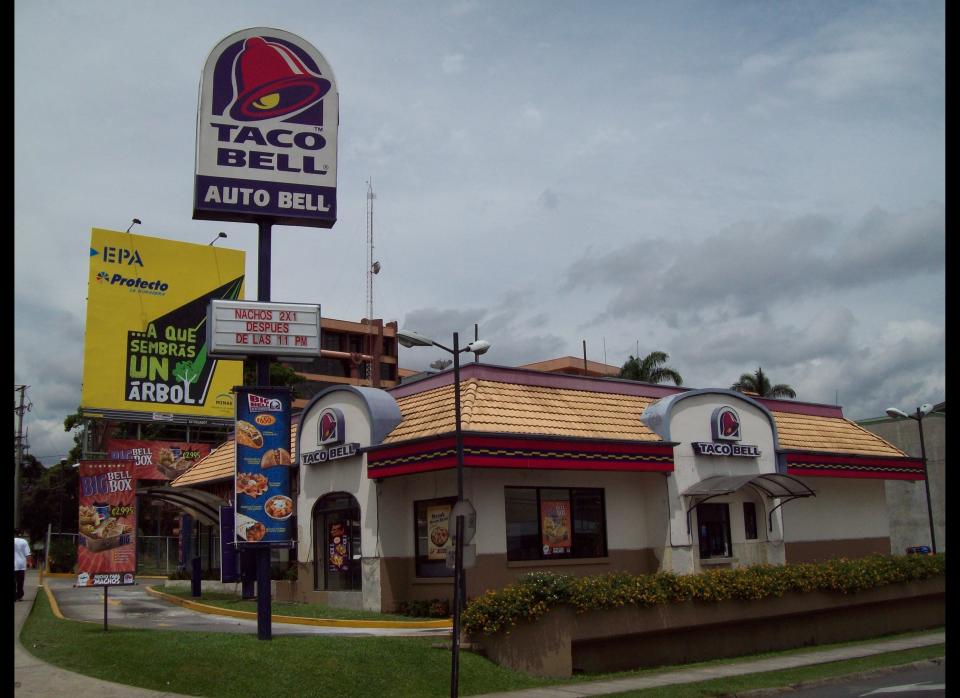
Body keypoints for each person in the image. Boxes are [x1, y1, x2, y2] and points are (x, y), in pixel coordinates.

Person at [14, 529, 32, 602]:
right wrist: (29, 563)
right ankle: (19, 596)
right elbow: (27, 554)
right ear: (19, 534)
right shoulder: (24, 541)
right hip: (21, 565)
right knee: (20, 581)